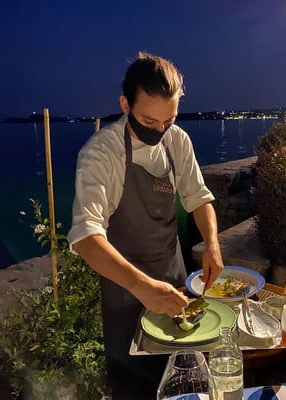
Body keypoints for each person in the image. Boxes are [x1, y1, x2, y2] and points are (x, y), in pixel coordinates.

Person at [67, 52, 224, 399]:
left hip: (177, 284)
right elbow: (86, 236)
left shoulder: (177, 140)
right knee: (134, 388)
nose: (159, 130)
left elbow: (199, 198)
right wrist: (142, 286)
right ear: (125, 104)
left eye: (169, 120)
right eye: (148, 120)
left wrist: (212, 243)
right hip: (125, 295)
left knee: (187, 384)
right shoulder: (101, 153)